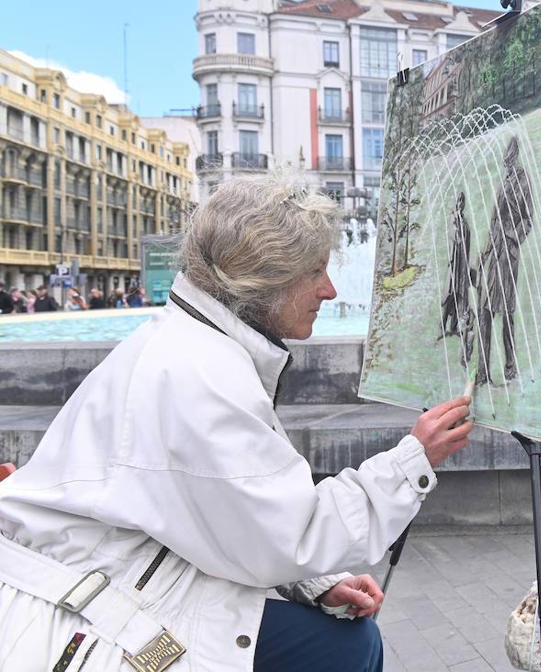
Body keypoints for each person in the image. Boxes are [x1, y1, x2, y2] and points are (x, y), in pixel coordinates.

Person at [0, 174, 474, 671]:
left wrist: (313, 583)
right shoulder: (200, 377)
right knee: (346, 651)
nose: (330, 290)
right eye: (315, 272)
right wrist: (414, 459)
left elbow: (220, 513)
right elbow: (295, 532)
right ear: (266, 279)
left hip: (117, 577)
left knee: (348, 644)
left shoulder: (190, 344)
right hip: (96, 617)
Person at [476, 137, 533, 385]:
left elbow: (528, 220)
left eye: (509, 157)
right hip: (495, 253)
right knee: (485, 311)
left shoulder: (523, 181)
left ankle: (510, 367)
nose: (506, 161)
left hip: (508, 257)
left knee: (507, 313)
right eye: (505, 158)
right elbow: (494, 220)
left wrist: (512, 239)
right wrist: (485, 251)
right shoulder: (504, 181)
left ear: (515, 156)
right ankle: (482, 371)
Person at [438, 191, 474, 368]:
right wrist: (455, 222)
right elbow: (456, 237)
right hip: (454, 265)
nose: (460, 204)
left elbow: (466, 242)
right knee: (449, 294)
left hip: (462, 265)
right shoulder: (453, 219)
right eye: (458, 201)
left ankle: (455, 327)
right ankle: (442, 327)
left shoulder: (464, 221)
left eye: (462, 201)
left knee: (460, 295)